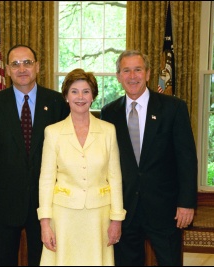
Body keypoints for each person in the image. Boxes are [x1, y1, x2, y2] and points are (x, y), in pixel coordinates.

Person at [0, 44, 70, 266]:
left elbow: (66, 154)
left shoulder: (56, 103)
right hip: (5, 202)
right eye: (15, 64)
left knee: (44, 261)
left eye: (27, 62)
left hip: (47, 203)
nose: (22, 68)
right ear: (7, 70)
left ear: (37, 66)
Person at [101, 50, 198, 266]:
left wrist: (186, 203)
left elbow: (187, 159)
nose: (132, 76)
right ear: (118, 76)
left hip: (165, 209)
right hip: (125, 210)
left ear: (148, 74)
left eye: (138, 69)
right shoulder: (109, 113)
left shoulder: (173, 108)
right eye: (126, 70)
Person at [37, 68, 126, 266]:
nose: (80, 97)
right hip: (63, 218)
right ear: (66, 96)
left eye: (86, 91)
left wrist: (117, 219)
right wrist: (45, 223)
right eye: (74, 91)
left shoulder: (108, 130)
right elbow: (46, 180)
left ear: (93, 96)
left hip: (99, 217)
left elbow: (115, 177)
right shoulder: (53, 133)